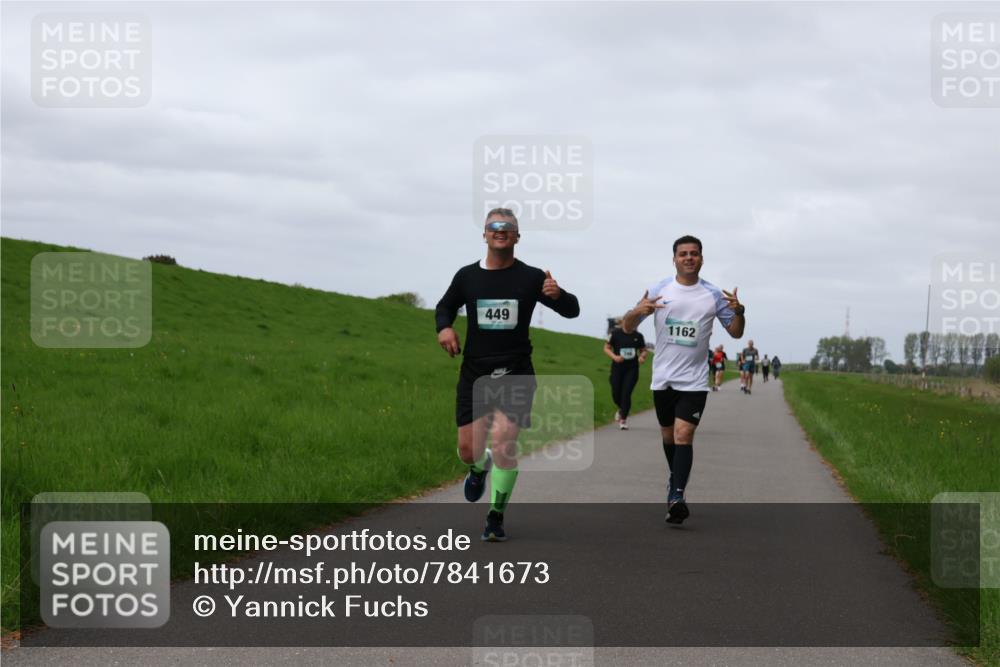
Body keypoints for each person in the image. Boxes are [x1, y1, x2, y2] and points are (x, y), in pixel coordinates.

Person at [435, 208, 580, 541]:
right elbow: (445, 306)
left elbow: (572, 311)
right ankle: (477, 468)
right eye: (494, 226)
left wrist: (559, 295)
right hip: (475, 373)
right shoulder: (467, 276)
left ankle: (495, 517)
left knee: (503, 445)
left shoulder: (531, 277)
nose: (500, 230)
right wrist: (444, 328)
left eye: (508, 227)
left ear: (517, 236)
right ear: (485, 234)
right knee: (469, 450)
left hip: (516, 372)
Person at [621, 235, 745, 524]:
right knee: (668, 437)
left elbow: (736, 332)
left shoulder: (714, 295)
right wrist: (637, 311)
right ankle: (674, 478)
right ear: (674, 259)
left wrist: (740, 312)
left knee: (683, 434)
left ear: (701, 258)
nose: (689, 258)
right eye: (683, 254)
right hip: (663, 378)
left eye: (694, 253)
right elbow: (627, 327)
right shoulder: (659, 289)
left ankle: (677, 495)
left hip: (694, 381)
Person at [605, 318, 648, 430]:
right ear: (624, 321)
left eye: (634, 322)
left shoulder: (638, 336)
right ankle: (622, 409)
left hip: (632, 369)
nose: (631, 324)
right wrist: (615, 357)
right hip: (617, 368)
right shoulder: (615, 334)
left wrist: (642, 356)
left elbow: (643, 350)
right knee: (616, 393)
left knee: (626, 393)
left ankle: (623, 419)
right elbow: (606, 348)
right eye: (629, 321)